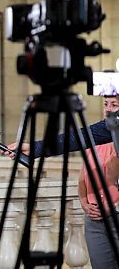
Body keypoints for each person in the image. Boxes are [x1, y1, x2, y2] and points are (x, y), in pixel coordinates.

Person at [77, 96, 119, 269]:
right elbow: (83, 175)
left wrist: (113, 206)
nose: (108, 109)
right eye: (106, 104)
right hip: (94, 221)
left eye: (114, 105)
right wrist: (84, 203)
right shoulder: (95, 138)